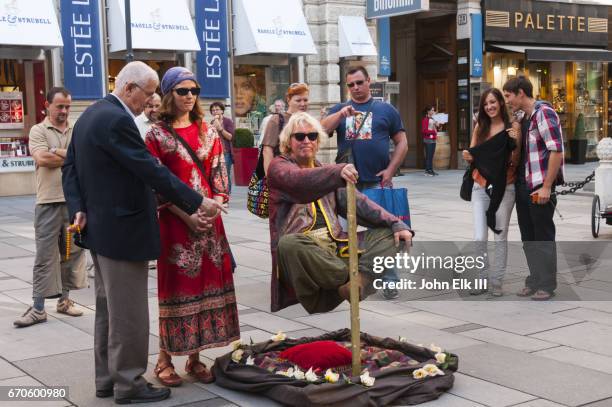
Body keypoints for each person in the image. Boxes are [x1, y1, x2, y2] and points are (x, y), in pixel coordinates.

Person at [62, 61, 224, 404]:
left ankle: (107, 379)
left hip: (100, 230)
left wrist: (78, 206)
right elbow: (149, 169)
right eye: (147, 94)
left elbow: (70, 166)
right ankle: (129, 383)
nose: (149, 102)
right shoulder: (117, 119)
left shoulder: (90, 114)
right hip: (123, 232)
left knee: (108, 312)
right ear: (128, 88)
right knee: (129, 314)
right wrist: (196, 201)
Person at [145, 67, 239, 387]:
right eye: (182, 91)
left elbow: (220, 177)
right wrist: (188, 215)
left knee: (204, 290)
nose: (189, 97)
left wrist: (213, 209)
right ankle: (164, 359)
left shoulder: (208, 131)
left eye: (194, 91)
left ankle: (196, 357)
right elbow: (156, 184)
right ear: (169, 93)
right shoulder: (155, 135)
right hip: (175, 225)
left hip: (210, 227)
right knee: (175, 292)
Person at [267, 112, 414, 313]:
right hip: (305, 252)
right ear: (288, 141)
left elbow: (360, 203)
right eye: (300, 136)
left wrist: (396, 223)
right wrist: (338, 171)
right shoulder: (279, 167)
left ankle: (357, 283)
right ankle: (352, 280)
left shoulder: (327, 172)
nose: (307, 141)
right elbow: (299, 181)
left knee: (394, 235)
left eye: (312, 136)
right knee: (288, 243)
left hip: (335, 248)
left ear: (318, 141)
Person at [321, 66, 408, 300]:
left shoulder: (385, 109)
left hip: (375, 183)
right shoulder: (340, 109)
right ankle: (345, 278)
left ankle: (390, 280)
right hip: (344, 184)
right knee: (339, 232)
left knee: (383, 233)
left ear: (369, 81)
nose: (356, 88)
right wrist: (340, 115)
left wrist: (391, 170)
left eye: (359, 82)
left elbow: (402, 142)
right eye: (351, 85)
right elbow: (320, 131)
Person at [14, 87, 86, 328]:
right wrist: (70, 156)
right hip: (47, 202)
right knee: (45, 255)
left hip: (75, 202)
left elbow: (85, 158)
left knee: (71, 253)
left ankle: (65, 301)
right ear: (47, 105)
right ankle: (38, 308)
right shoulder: (38, 130)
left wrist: (57, 151)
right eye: (60, 106)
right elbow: (42, 159)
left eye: (67, 106)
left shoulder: (77, 129)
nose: (65, 111)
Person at [503, 76, 565, 301]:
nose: (507, 101)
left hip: (539, 186)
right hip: (523, 185)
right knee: (528, 236)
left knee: (543, 236)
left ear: (520, 93)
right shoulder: (524, 117)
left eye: (508, 96)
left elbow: (556, 150)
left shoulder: (544, 113)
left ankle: (547, 285)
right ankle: (534, 279)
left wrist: (547, 186)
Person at [462, 88, 520, 297]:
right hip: (480, 186)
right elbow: (471, 154)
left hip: (505, 188)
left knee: (500, 235)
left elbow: (514, 161)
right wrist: (468, 156)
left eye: (493, 102)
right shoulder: (481, 126)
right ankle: (481, 279)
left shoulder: (512, 127)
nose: (490, 107)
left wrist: (515, 142)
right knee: (479, 236)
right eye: (486, 104)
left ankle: (497, 281)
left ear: (501, 103)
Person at [262, 83, 309, 175]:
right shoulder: (277, 120)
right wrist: (270, 178)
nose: (303, 104)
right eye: (298, 100)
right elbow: (267, 150)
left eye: (305, 100)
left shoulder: (307, 120)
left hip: (303, 173)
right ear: (288, 100)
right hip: (283, 172)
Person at [210, 101, 236, 194]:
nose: (215, 112)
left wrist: (220, 129)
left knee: (226, 174)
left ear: (222, 111)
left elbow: (230, 137)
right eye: (213, 110)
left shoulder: (227, 121)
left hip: (226, 152)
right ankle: (220, 194)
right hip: (215, 152)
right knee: (216, 175)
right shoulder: (212, 122)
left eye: (217, 109)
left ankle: (227, 195)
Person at [422, 106, 440, 176]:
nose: (433, 111)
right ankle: (427, 170)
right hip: (428, 140)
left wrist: (437, 125)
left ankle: (430, 169)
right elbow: (424, 131)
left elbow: (436, 128)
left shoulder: (433, 119)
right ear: (428, 111)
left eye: (433, 110)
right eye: (432, 110)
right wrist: (433, 132)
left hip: (433, 139)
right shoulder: (425, 119)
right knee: (428, 156)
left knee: (431, 156)